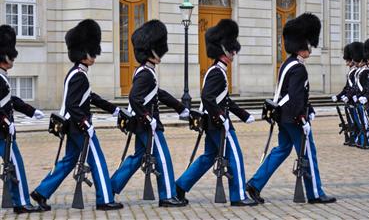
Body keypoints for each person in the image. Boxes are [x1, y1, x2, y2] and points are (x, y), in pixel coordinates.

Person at [30, 19, 123, 211]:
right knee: (97, 160)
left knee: (69, 161)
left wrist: (113, 109)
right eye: (92, 52)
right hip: (79, 127)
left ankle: (41, 191)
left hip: (73, 126)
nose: (95, 56)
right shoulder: (79, 75)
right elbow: (74, 105)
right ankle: (104, 198)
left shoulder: (77, 73)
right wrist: (85, 124)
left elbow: (89, 97)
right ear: (84, 52)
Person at [246, 13, 336, 204]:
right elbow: (295, 97)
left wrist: (308, 108)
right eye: (307, 47)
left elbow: (293, 94)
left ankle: (255, 184)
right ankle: (314, 193)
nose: (309, 50)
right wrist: (302, 118)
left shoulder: (288, 64)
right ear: (300, 47)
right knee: (308, 153)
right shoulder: (298, 68)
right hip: (294, 119)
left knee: (282, 150)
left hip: (284, 117)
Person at [175, 19, 257, 206]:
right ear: (224, 50)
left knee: (207, 158)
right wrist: (221, 118)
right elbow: (207, 98)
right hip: (217, 123)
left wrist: (243, 114)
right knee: (235, 155)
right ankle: (238, 196)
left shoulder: (218, 70)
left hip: (212, 122)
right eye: (232, 50)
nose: (234, 53)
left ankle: (180, 186)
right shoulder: (216, 72)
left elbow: (223, 99)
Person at [111, 19, 189, 207]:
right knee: (163, 157)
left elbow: (158, 94)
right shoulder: (146, 73)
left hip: (143, 124)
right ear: (151, 51)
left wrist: (180, 107)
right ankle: (167, 195)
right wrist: (148, 118)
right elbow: (134, 98)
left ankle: (109, 186)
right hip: (147, 125)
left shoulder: (146, 71)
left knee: (138, 157)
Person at [0, 25, 45, 214]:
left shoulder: (2, 77)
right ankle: (22, 202)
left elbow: (11, 101)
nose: (13, 59)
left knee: (12, 164)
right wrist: (6, 122)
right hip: (2, 132)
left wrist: (31, 111)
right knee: (15, 164)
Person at [332, 44, 357, 145]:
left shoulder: (356, 71)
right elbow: (347, 87)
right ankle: (353, 138)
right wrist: (338, 96)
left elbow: (354, 88)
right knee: (351, 120)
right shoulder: (352, 71)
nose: (347, 63)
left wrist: (348, 96)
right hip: (350, 99)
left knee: (357, 121)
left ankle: (358, 138)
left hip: (354, 100)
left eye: (348, 61)